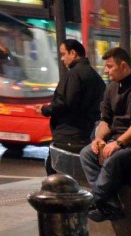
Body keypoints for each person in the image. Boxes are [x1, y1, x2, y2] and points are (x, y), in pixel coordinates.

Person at [82, 47, 131, 222]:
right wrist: (99, 139)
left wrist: (118, 143)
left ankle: (95, 200)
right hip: (115, 140)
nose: (105, 70)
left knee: (113, 159)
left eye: (110, 66)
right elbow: (105, 120)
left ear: (124, 65)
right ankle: (110, 205)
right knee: (87, 154)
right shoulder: (111, 88)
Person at [40, 40, 104, 175]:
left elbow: (65, 102)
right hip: (85, 132)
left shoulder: (73, 74)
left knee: (54, 170)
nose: (62, 58)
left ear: (73, 53)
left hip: (67, 132)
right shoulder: (95, 76)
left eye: (64, 54)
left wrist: (45, 110)